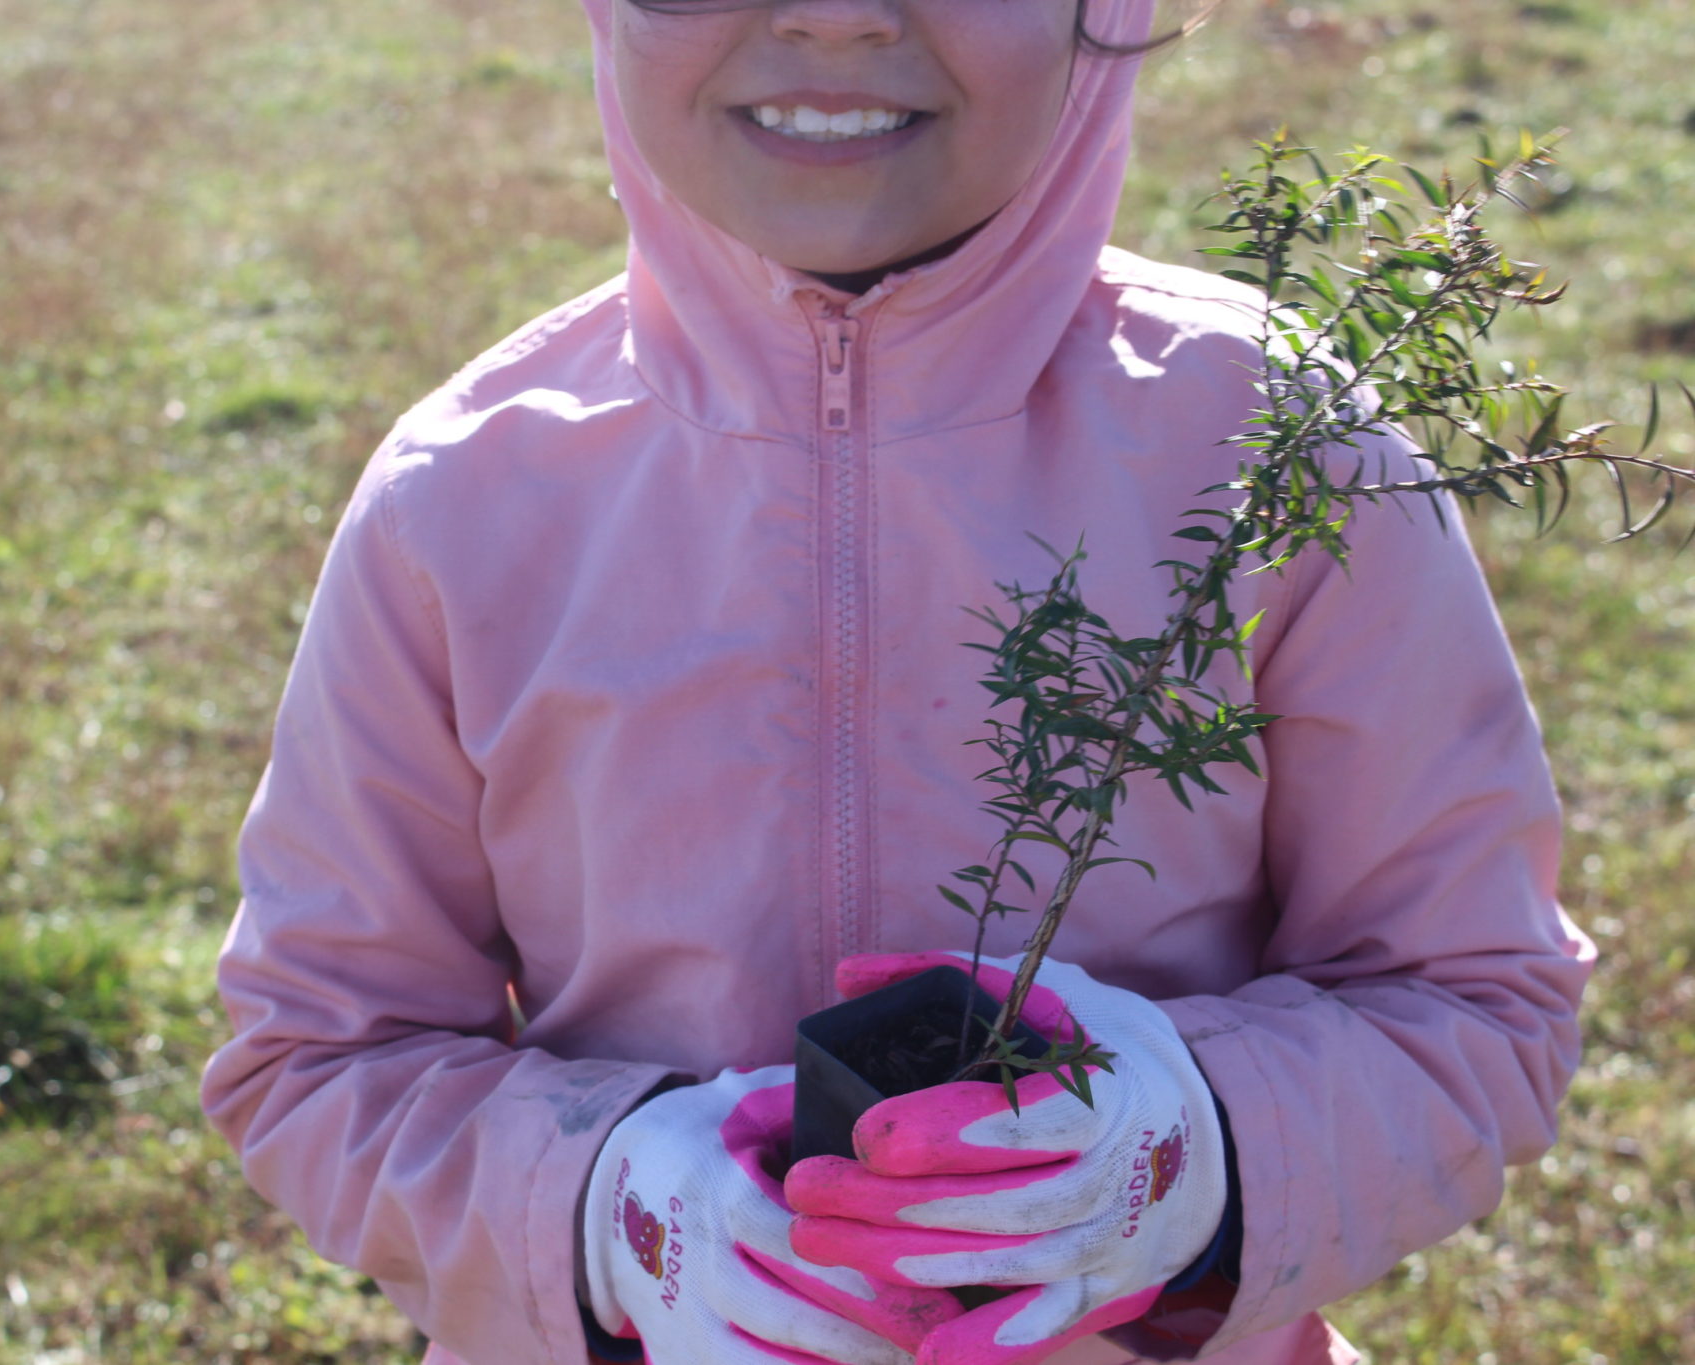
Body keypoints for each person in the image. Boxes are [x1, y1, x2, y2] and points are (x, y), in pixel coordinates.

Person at [200, 1, 1593, 1362]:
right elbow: (322, 1053)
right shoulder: (465, 497)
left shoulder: (1279, 454)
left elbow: (1468, 996)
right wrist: (606, 1209)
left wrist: (1195, 1140)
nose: (839, 19)